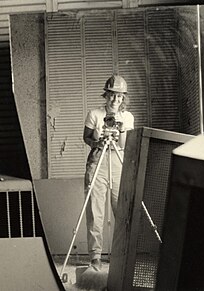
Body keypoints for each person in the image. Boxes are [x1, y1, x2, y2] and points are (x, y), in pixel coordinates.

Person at [83, 74, 134, 270]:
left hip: (118, 162)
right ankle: (95, 256)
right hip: (98, 160)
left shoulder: (127, 117)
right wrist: (98, 140)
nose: (115, 100)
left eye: (120, 96)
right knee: (95, 210)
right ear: (106, 95)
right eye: (112, 95)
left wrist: (119, 131)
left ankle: (120, 254)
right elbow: (86, 138)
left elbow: (124, 145)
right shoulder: (94, 114)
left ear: (123, 98)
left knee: (120, 210)